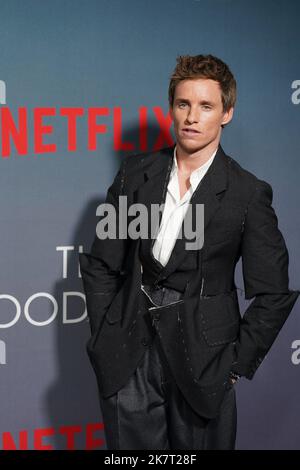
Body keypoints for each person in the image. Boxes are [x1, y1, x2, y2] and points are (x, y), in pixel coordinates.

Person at [79, 54, 299, 450]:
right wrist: (105, 333)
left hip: (203, 360)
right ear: (172, 109)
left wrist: (233, 365)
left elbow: (274, 294)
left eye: (205, 106)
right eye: (183, 104)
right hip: (129, 352)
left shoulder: (247, 193)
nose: (192, 117)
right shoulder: (135, 175)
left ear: (226, 113)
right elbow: (100, 264)